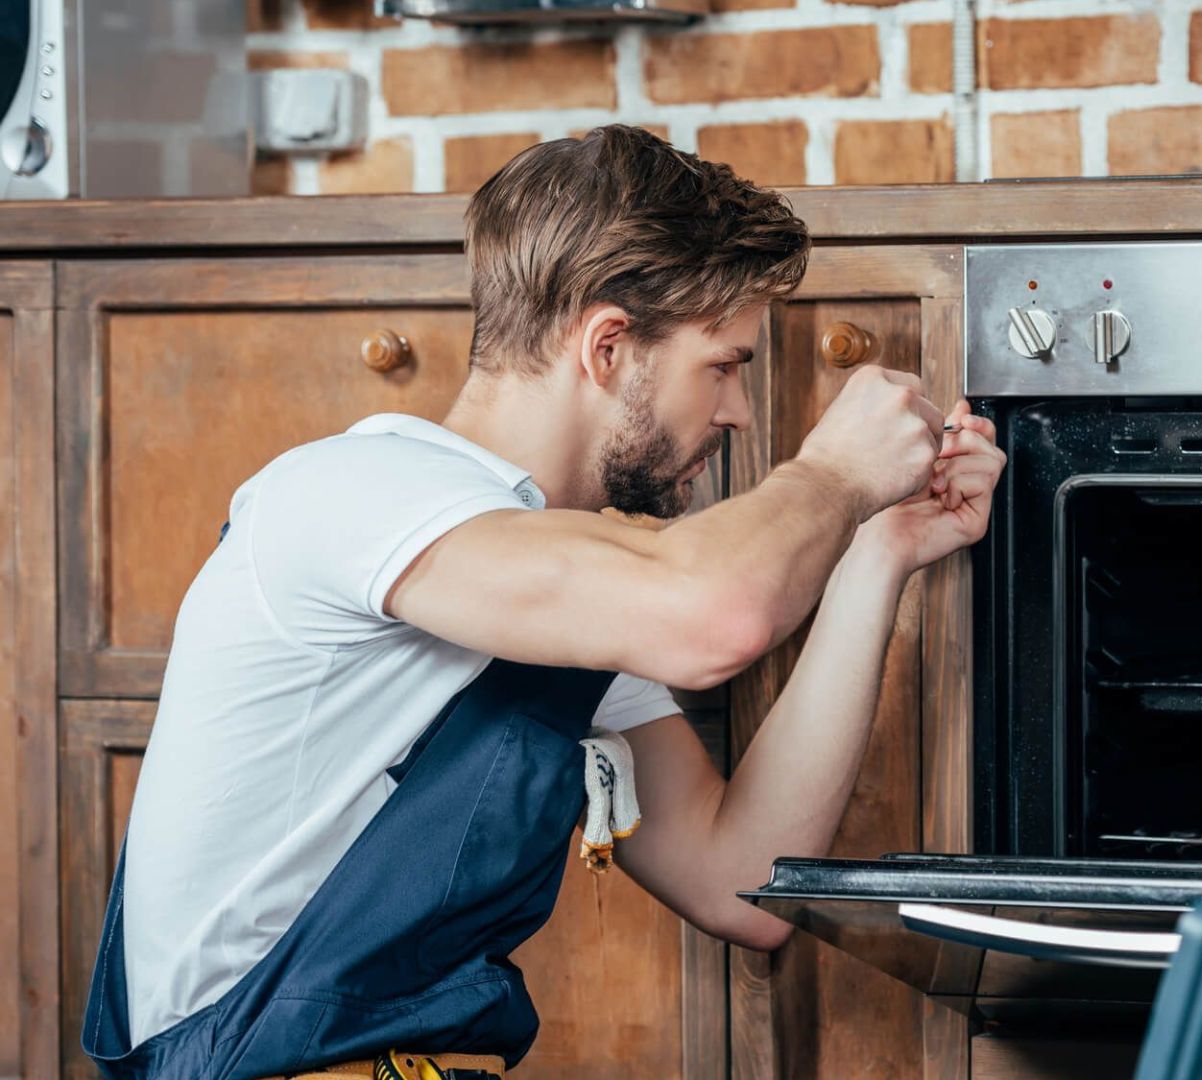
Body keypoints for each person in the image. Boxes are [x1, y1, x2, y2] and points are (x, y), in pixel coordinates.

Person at [80, 124, 1005, 1080]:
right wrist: (834, 474)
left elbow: (742, 884)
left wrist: (876, 551)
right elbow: (712, 618)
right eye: (723, 366)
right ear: (608, 347)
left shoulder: (562, 590)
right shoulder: (355, 491)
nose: (734, 413)